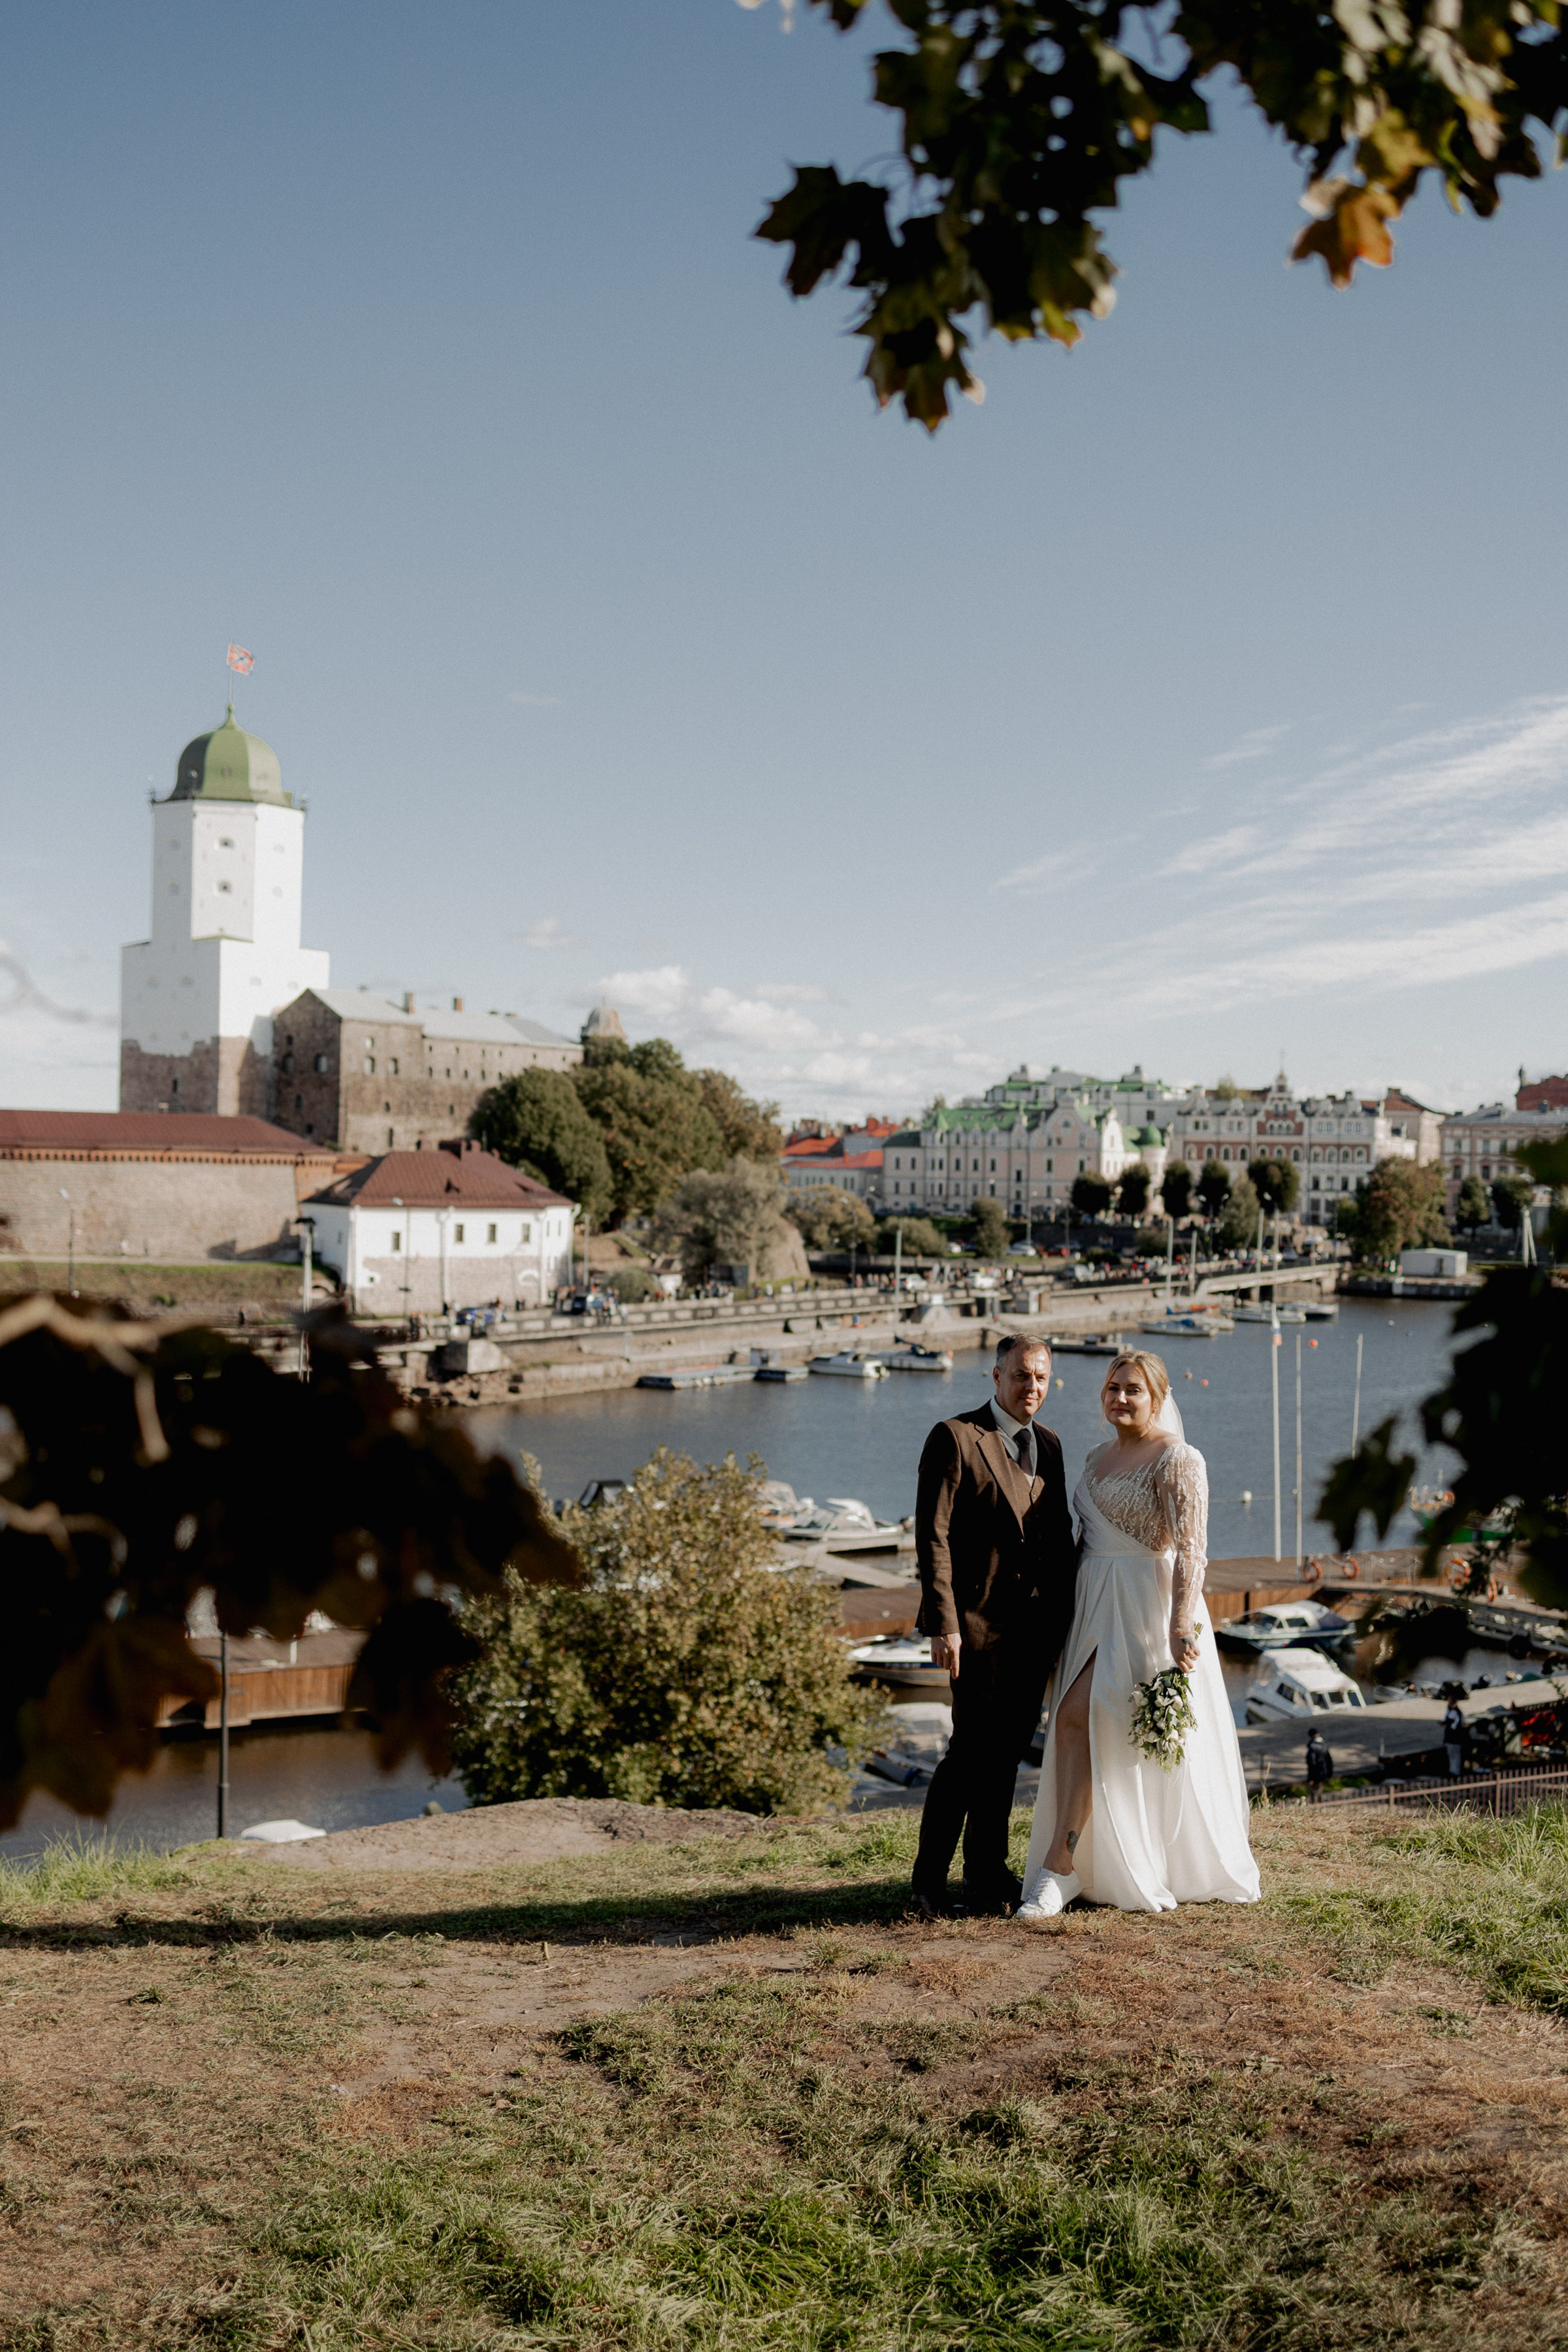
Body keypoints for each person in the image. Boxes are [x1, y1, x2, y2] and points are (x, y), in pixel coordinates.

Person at [1017, 1348, 1260, 1920]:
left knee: (1098, 1720)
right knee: (1078, 1722)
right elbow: (1083, 1540)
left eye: (1133, 1390)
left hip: (1144, 1604)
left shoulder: (1179, 1458)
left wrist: (1179, 1621)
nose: (1120, 1398)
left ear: (1158, 1398)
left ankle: (1062, 1867)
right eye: (1112, 1387)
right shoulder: (1096, 1457)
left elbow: (1192, 1549)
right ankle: (1078, 1865)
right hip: (1091, 1599)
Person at [910, 1334, 1078, 1919]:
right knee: (967, 1755)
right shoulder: (955, 1437)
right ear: (996, 1376)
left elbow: (1057, 1544)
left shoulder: (1051, 1446)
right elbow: (931, 1535)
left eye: (1041, 1378)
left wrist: (1072, 1620)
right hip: (975, 1630)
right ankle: (928, 1884)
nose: (1031, 1388)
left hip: (1033, 1635)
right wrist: (944, 1624)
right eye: (1020, 1376)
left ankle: (986, 1874)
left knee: (1006, 1756)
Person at [1305, 1727, 1333, 1798]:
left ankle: (1316, 1806)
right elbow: (1329, 1761)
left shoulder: (1312, 1747)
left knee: (1314, 1794)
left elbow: (1312, 1763)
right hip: (1324, 1773)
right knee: (1320, 1791)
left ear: (1311, 1736)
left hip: (1316, 1775)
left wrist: (1311, 1778)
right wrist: (1329, 1774)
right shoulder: (1324, 1745)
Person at [1443, 1697, 1465, 1779]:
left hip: (1454, 1739)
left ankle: (1455, 1773)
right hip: (1451, 1739)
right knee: (1452, 1756)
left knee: (1455, 1756)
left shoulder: (1456, 1712)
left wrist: (1447, 1726)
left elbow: (1454, 1725)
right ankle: (1452, 1772)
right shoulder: (1452, 1711)